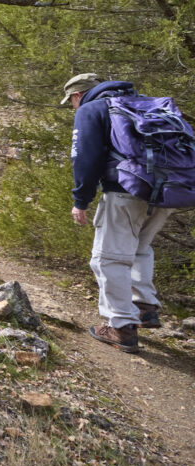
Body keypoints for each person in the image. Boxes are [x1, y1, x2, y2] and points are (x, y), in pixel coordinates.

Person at [63, 73, 174, 353]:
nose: (73, 107)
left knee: (109, 259)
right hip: (166, 192)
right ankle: (145, 307)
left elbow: (84, 158)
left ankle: (122, 328)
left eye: (71, 102)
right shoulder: (144, 103)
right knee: (139, 248)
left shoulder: (91, 109)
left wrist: (81, 200)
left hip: (124, 193)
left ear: (78, 95)